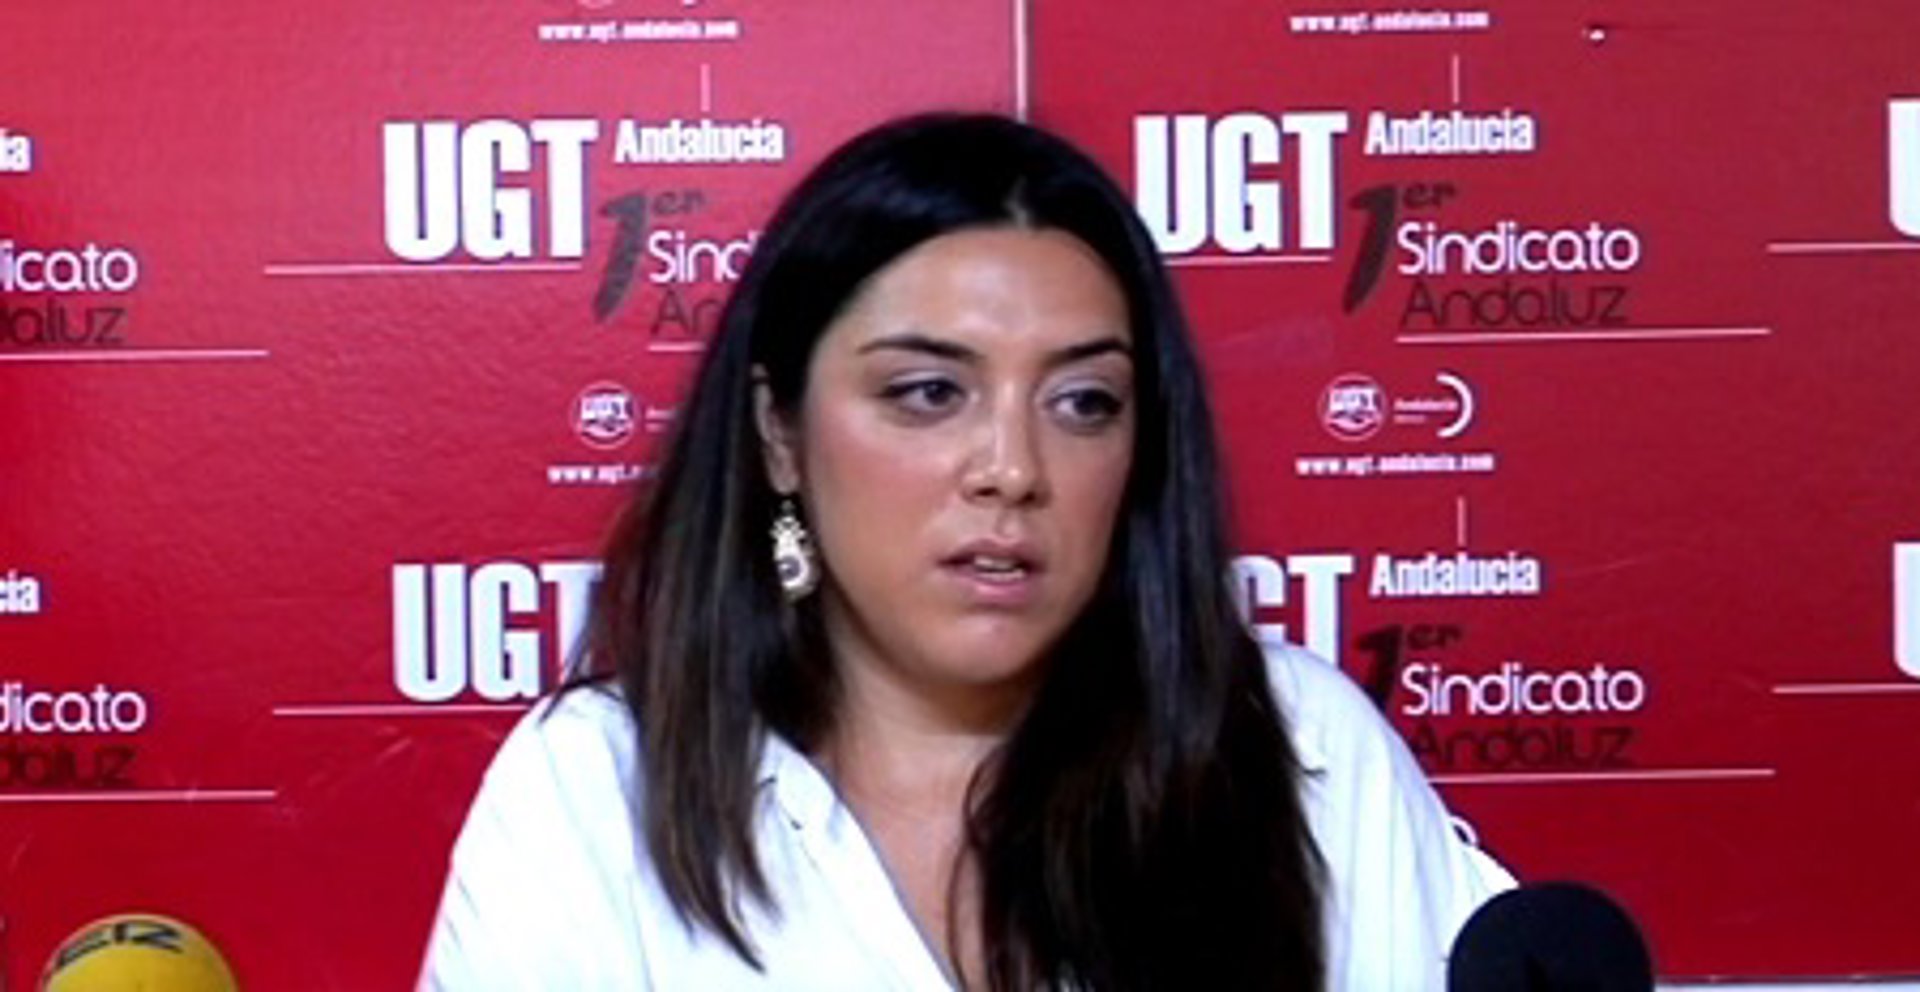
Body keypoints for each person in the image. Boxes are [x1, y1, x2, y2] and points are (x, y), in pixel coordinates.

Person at [419, 113, 1511, 991]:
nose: (1011, 468)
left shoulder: (1304, 745)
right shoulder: (599, 786)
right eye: (929, 392)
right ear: (779, 433)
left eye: (1084, 402)